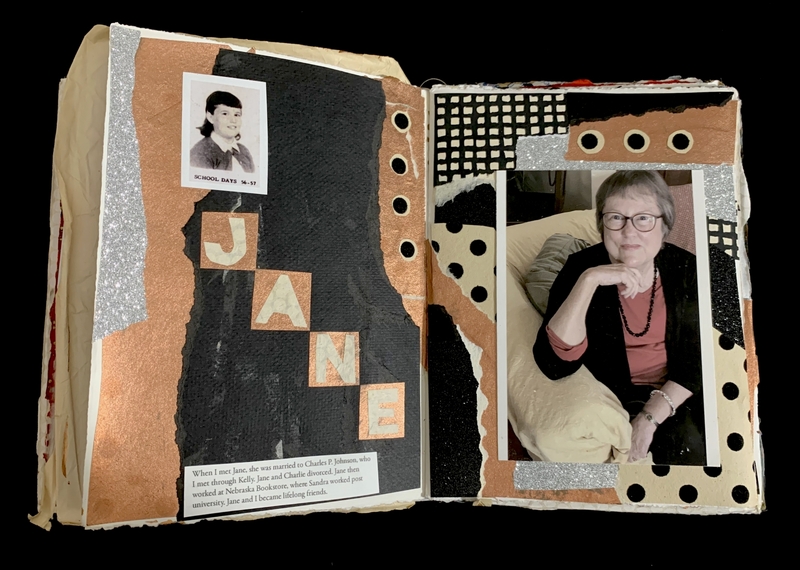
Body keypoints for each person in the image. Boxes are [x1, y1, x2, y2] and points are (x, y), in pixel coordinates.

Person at [533, 171, 705, 465]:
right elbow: (555, 364)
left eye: (643, 218)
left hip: (677, 395)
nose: (629, 231)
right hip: (609, 396)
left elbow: (699, 361)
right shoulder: (581, 268)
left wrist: (649, 418)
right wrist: (589, 281)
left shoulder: (689, 270)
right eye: (615, 218)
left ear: (664, 225)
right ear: (602, 224)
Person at [190, 91, 255, 173]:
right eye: (225, 114)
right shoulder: (200, 154)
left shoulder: (244, 151)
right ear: (210, 117)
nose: (233, 120)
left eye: (237, 114)